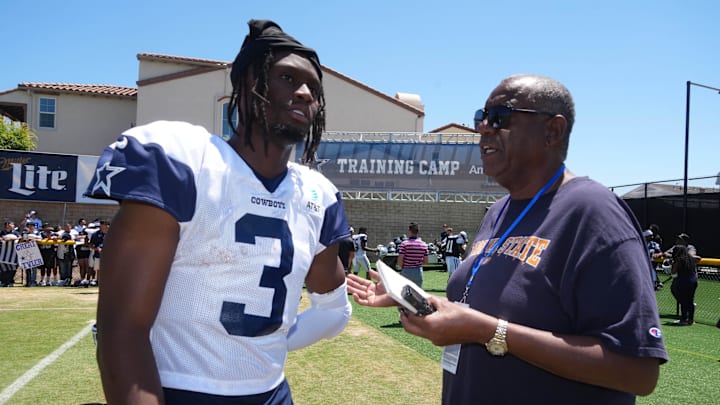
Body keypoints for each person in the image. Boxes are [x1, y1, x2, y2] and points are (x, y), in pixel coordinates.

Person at [348, 74, 667, 403]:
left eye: (499, 117)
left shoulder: (593, 212)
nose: (484, 128)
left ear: (552, 131)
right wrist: (419, 300)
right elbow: (482, 307)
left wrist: (488, 331)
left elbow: (638, 371)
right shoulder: (498, 212)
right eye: (481, 117)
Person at [84, 19, 351, 404]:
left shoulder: (318, 195)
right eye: (288, 78)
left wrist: (264, 342)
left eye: (314, 88)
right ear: (247, 84)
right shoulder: (184, 160)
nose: (306, 93)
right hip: (177, 389)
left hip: (272, 393)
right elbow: (122, 328)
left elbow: (334, 312)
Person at [669, 244, 698, 325]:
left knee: (683, 300)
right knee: (690, 300)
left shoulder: (678, 260)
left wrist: (672, 266)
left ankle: (684, 319)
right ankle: (691, 320)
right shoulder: (691, 259)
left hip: (682, 282)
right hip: (693, 281)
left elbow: (673, 273)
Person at [397, 222, 428, 287]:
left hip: (406, 270)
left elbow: (400, 261)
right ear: (418, 231)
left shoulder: (404, 244)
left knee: (404, 294)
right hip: (418, 271)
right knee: (417, 294)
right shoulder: (424, 245)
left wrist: (404, 267)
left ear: (409, 230)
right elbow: (426, 262)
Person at [88, 220, 109, 286]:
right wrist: (97, 249)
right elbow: (91, 245)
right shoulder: (95, 234)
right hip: (99, 255)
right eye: (101, 226)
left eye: (105, 227)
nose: (103, 228)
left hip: (110, 255)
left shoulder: (113, 233)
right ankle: (99, 283)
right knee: (99, 269)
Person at [0, 221, 20, 287]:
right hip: (3, 253)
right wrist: (3, 238)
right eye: (11, 224)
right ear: (7, 225)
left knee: (13, 268)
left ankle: (10, 281)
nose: (12, 225)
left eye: (13, 224)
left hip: (13, 253)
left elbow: (19, 238)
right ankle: (4, 282)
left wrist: (11, 238)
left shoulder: (16, 232)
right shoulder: (2, 232)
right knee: (4, 268)